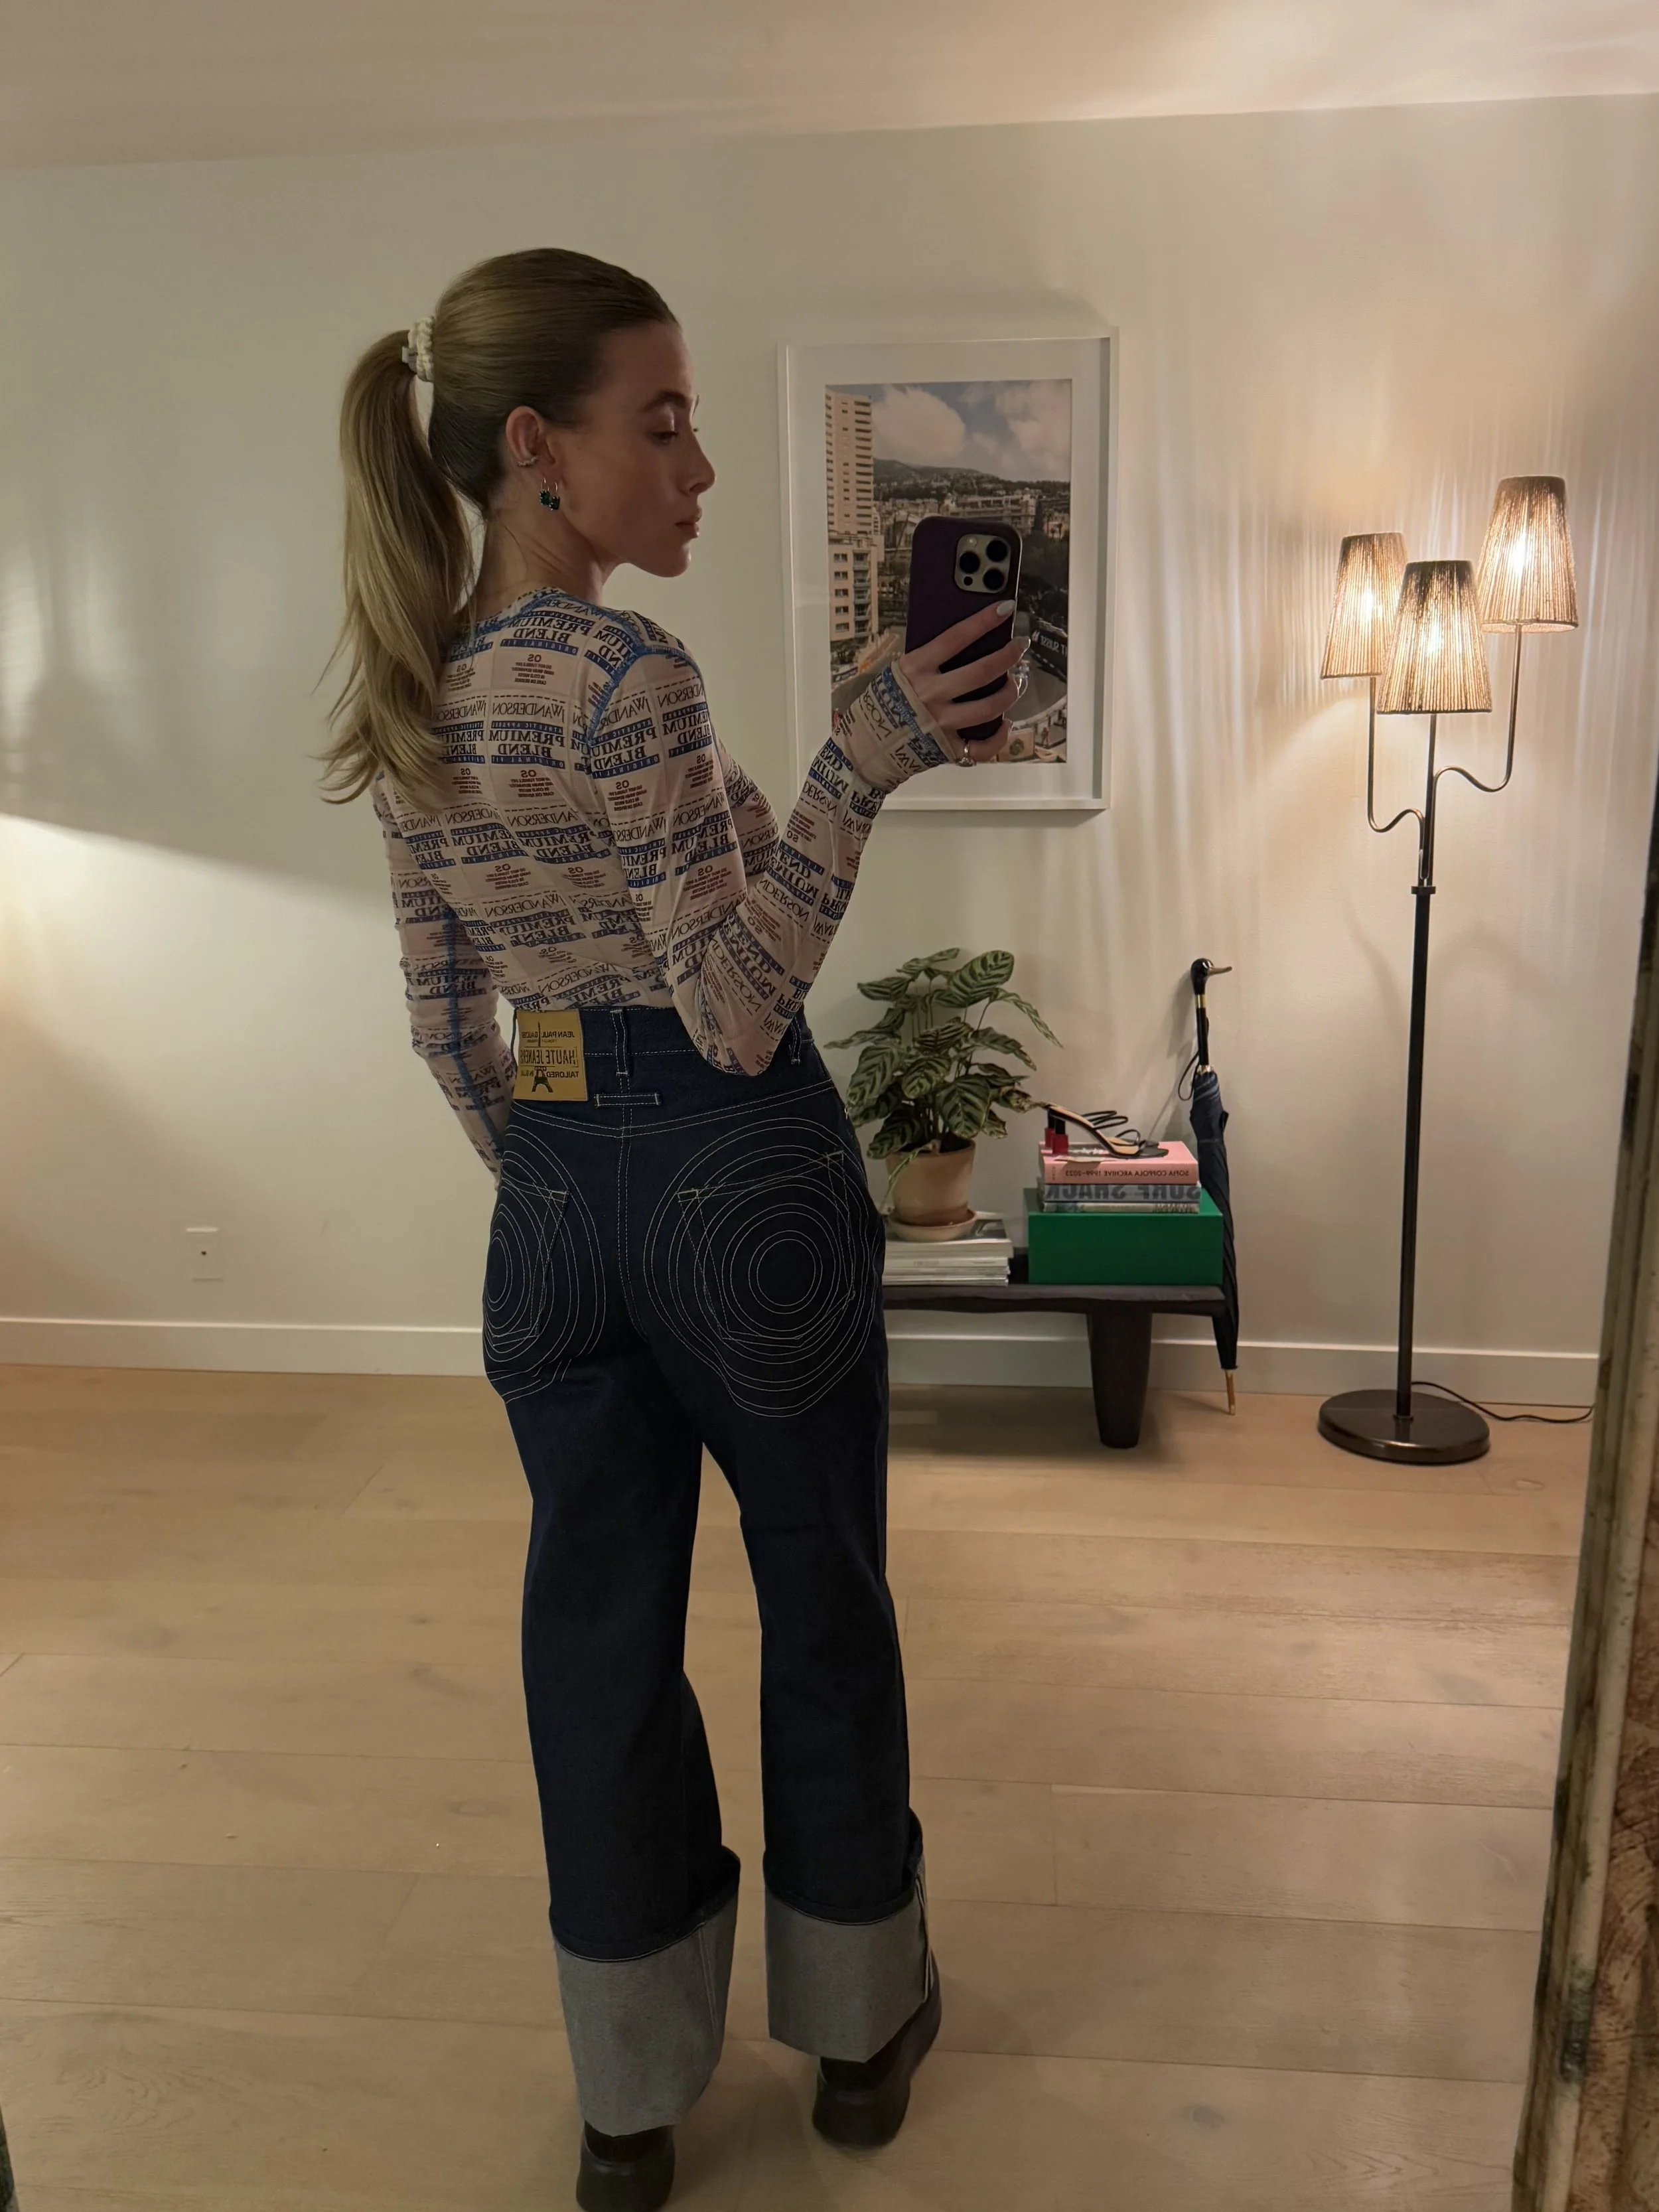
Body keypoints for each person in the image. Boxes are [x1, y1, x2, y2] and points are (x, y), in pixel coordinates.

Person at [328, 248, 1023, 2212]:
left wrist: (567, 1182)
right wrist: (861, 760)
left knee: (597, 1632)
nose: (700, 465)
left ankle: (628, 2102)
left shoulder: (412, 682)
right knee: (821, 1594)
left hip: (551, 1210)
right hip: (745, 1189)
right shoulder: (627, 672)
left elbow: (444, 1022)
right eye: (665, 421)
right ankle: (858, 2035)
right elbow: (728, 1008)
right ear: (535, 447)